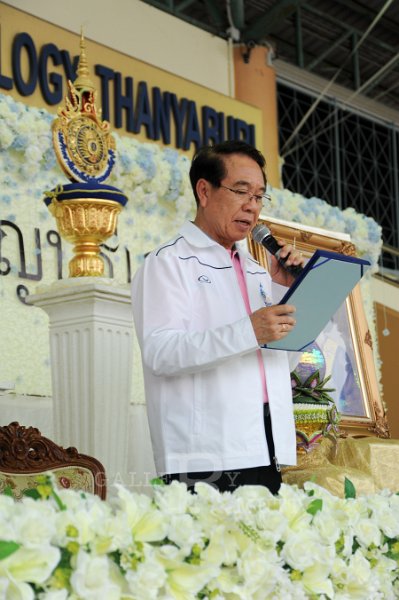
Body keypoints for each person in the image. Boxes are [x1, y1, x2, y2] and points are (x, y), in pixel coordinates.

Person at [131, 140, 305, 494]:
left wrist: (286, 293)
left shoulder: (259, 272)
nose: (252, 207)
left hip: (266, 447)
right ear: (204, 191)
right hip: (205, 456)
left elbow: (277, 365)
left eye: (259, 197)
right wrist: (250, 331)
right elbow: (161, 353)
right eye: (241, 191)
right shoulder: (168, 262)